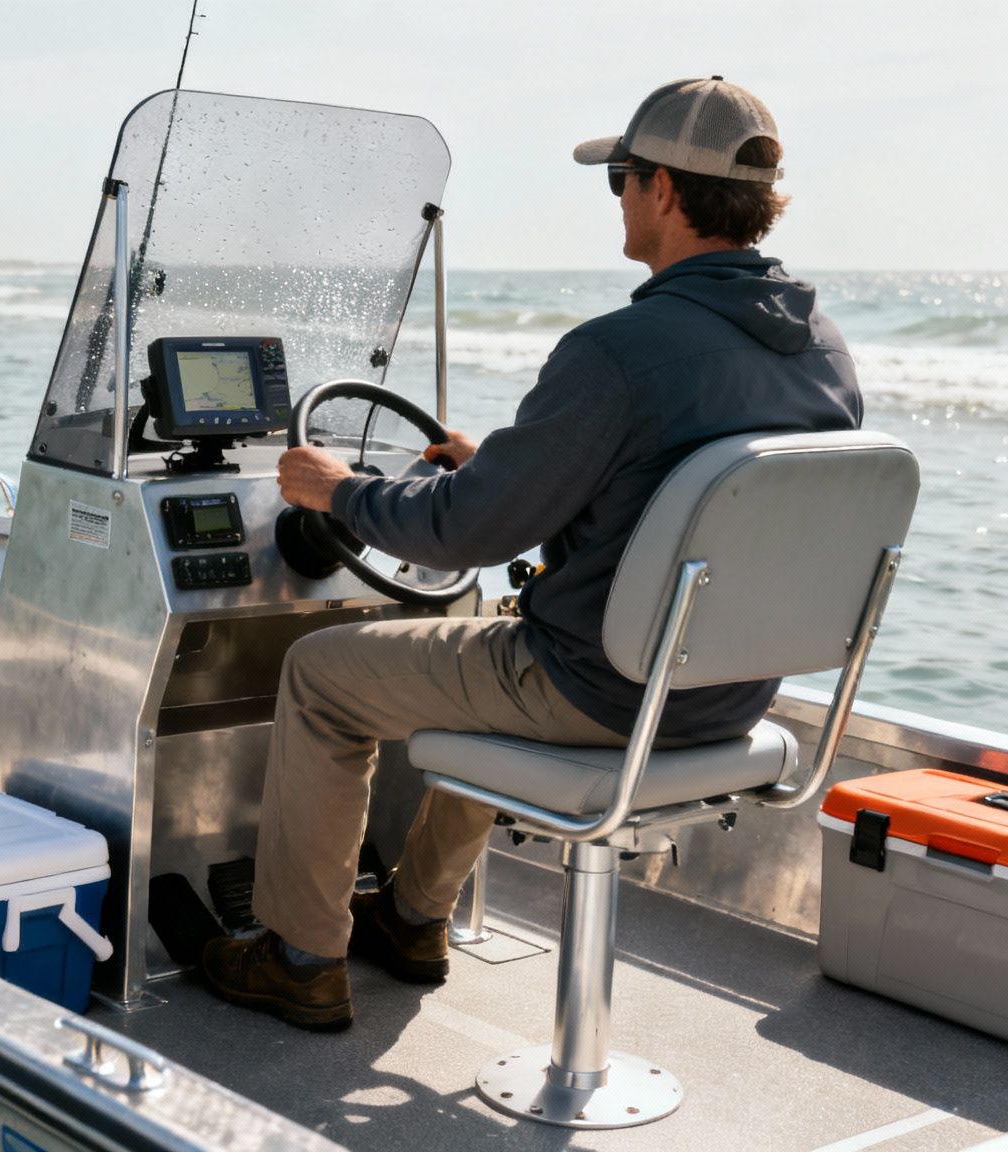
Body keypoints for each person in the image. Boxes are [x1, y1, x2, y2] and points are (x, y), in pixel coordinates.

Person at [199, 77, 864, 1031]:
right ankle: (413, 921)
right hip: (725, 696)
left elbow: (466, 532)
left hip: (597, 693)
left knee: (320, 675)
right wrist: (501, 470)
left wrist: (336, 491)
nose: (622, 197)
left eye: (623, 179)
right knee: (494, 635)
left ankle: (300, 957)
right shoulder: (826, 353)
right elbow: (674, 506)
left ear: (666, 191)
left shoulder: (620, 352)